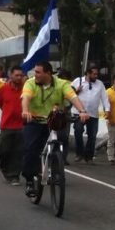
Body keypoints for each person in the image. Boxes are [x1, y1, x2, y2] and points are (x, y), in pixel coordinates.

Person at [21, 61, 89, 196]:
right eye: (35, 72)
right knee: (30, 149)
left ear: (48, 73)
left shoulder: (62, 84)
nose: (36, 75)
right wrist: (25, 111)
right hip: (34, 120)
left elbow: (73, 97)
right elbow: (26, 98)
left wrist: (82, 111)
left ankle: (57, 166)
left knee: (61, 141)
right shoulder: (30, 83)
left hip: (53, 121)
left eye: (38, 72)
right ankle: (29, 181)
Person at [70, 66, 109, 164]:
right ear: (88, 73)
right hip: (79, 113)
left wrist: (107, 109)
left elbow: (104, 97)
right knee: (78, 131)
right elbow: (69, 94)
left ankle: (89, 156)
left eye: (97, 74)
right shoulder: (78, 81)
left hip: (93, 114)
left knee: (92, 135)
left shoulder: (100, 84)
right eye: (94, 74)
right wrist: (76, 91)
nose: (96, 76)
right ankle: (79, 153)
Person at [0, 66, 25, 185]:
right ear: (10, 75)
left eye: (21, 75)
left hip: (22, 125)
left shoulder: (26, 89)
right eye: (16, 75)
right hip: (6, 125)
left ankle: (14, 175)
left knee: (18, 152)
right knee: (3, 150)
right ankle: (5, 169)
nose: (19, 78)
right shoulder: (3, 89)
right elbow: (0, 103)